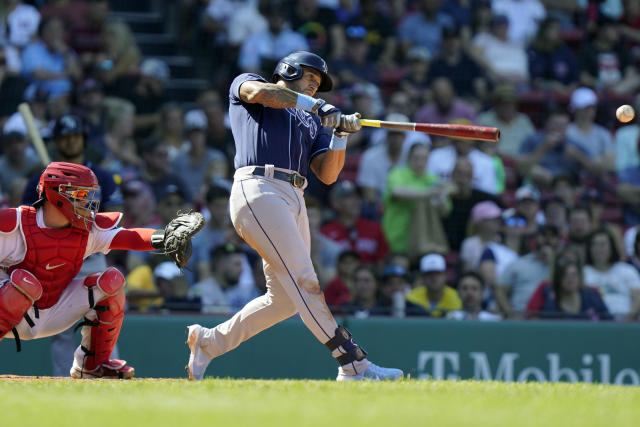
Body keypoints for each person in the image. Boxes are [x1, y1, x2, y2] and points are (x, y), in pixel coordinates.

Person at [184, 51, 403, 381]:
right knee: (305, 280)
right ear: (288, 70)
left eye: (319, 84)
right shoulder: (251, 83)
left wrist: (340, 136)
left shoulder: (312, 120)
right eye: (310, 78)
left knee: (285, 300)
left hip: (294, 196)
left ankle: (209, 343)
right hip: (258, 186)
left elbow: (327, 175)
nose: (315, 87)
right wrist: (315, 105)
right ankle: (352, 364)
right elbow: (262, 95)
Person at [0, 161, 203, 378]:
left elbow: (128, 236)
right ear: (56, 194)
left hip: (54, 312)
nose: (87, 202)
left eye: (88, 195)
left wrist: (164, 238)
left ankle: (92, 365)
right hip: (12, 312)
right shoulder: (16, 224)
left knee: (112, 282)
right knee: (23, 283)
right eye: (79, 194)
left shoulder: (86, 229)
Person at [526, 251, 612, 321]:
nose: (570, 280)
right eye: (565, 275)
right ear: (558, 278)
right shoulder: (548, 299)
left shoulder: (592, 296)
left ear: (579, 277)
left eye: (574, 275)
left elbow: (609, 323)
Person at [495, 224, 559, 318]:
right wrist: (510, 313)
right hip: (522, 319)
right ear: (536, 238)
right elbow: (500, 290)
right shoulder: (519, 263)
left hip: (553, 320)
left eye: (552, 236)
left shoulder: (561, 266)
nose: (547, 239)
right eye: (544, 235)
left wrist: (552, 262)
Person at [583, 228, 640, 320]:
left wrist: (626, 320)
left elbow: (638, 299)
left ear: (611, 247)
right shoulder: (583, 273)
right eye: (594, 244)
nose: (598, 249)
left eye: (602, 245)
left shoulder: (627, 270)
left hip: (627, 324)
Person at [405, 253, 462, 317]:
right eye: (429, 274)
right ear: (422, 277)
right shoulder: (412, 298)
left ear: (445, 276)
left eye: (437, 273)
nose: (433, 277)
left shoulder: (456, 298)